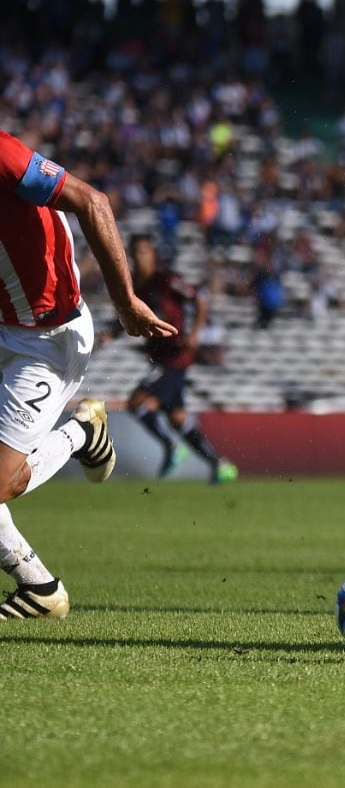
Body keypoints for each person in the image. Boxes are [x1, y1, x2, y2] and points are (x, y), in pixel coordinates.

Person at [0, 130, 175, 619]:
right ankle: (39, 589)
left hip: (47, 340)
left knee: (1, 484)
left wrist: (126, 302)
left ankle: (82, 433)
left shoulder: (3, 156)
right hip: (6, 327)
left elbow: (91, 200)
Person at [109, 234, 237, 484]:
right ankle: (219, 464)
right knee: (177, 418)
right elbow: (130, 315)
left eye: (144, 252)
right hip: (161, 358)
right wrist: (110, 333)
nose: (140, 257)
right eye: (135, 253)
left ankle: (170, 447)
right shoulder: (136, 287)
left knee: (137, 401)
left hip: (175, 357)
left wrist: (195, 333)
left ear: (153, 255)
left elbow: (199, 299)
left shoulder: (166, 280)